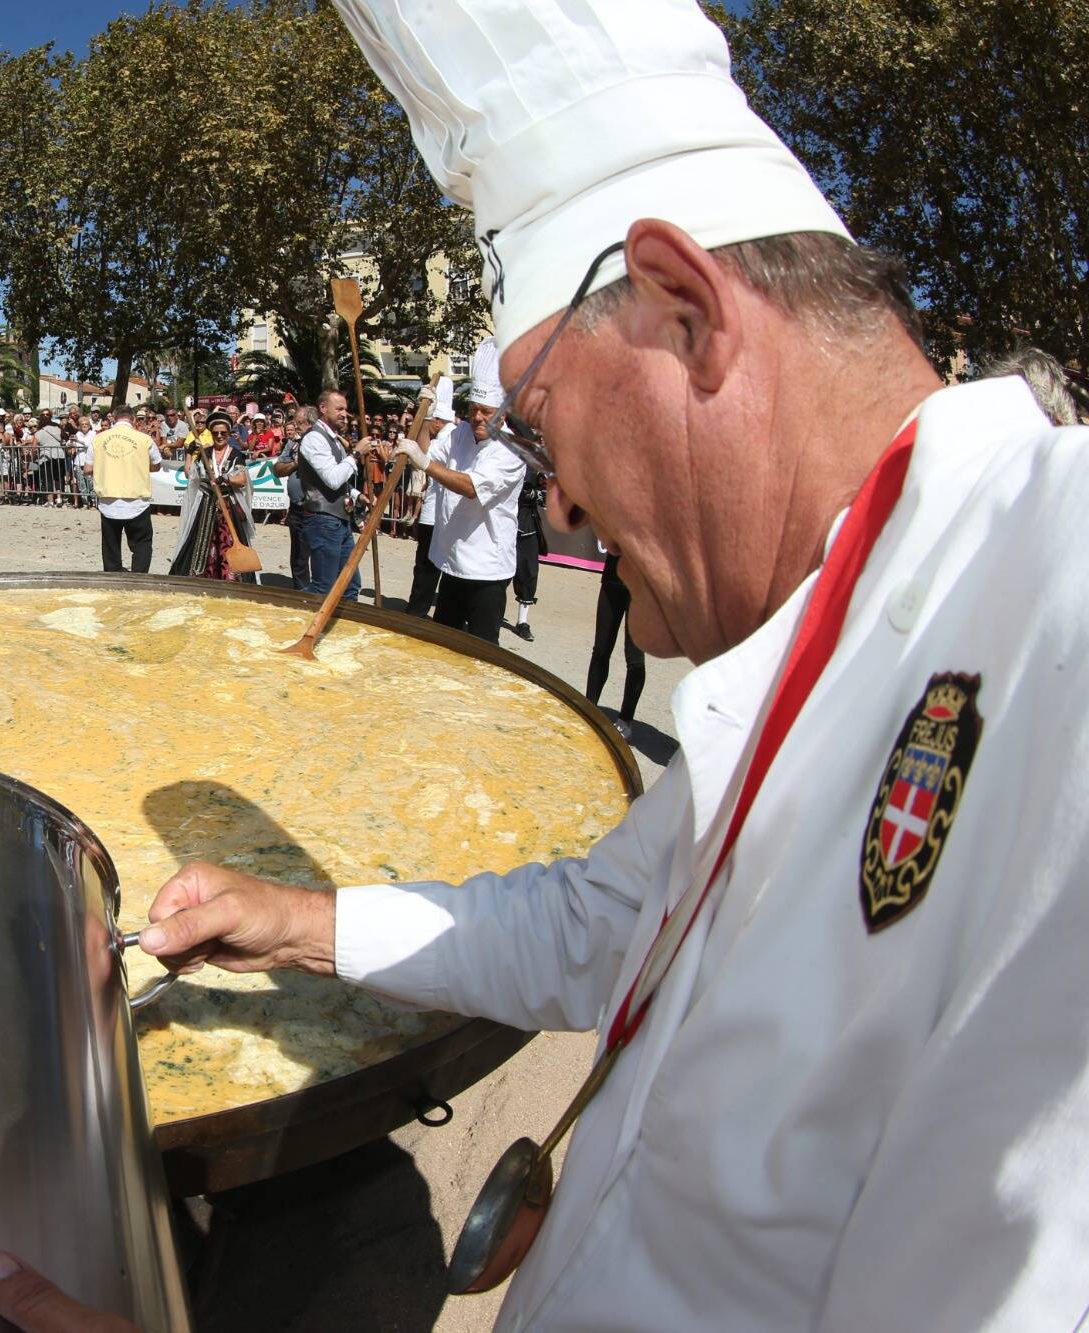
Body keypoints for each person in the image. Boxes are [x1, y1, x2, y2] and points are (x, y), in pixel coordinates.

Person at [120, 0, 1089, 1327]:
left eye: (540, 421)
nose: (558, 502)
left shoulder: (1054, 569)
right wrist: (302, 922)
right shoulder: (814, 635)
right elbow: (595, 922)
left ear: (684, 307)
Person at [414, 340, 524, 644]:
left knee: (482, 650)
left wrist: (425, 464)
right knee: (444, 645)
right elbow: (426, 451)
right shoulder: (460, 433)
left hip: (487, 568)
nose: (477, 417)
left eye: (486, 411)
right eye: (474, 409)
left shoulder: (511, 450)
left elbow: (471, 487)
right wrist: (425, 417)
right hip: (453, 560)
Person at [296, 389, 377, 600]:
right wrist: (356, 454)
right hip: (322, 520)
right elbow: (332, 479)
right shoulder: (314, 438)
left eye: (345, 409)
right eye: (339, 409)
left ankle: (344, 620)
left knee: (350, 585)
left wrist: (358, 495)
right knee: (323, 588)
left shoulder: (334, 439)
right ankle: (292, 610)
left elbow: (340, 480)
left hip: (339, 520)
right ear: (323, 408)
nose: (344, 414)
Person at [167, 409, 256, 581]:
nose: (219, 436)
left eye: (223, 433)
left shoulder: (236, 455)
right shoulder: (205, 453)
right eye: (216, 433)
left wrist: (226, 479)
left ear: (229, 434)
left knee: (228, 541)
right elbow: (190, 475)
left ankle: (230, 579)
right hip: (206, 505)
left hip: (227, 506)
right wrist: (189, 453)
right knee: (202, 543)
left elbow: (242, 480)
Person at [89, 400, 162, 573]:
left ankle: (112, 575)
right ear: (133, 419)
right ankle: (138, 577)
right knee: (141, 543)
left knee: (111, 546)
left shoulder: (98, 439)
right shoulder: (145, 439)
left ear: (114, 419)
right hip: (136, 500)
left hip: (108, 499)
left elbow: (87, 468)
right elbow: (157, 464)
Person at [404, 376, 457, 617]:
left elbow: (423, 452)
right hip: (436, 513)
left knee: (427, 568)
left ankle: (417, 613)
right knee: (429, 568)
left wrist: (424, 417)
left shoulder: (451, 436)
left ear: (437, 421)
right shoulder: (449, 435)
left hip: (439, 516)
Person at [585, 544, 646, 739]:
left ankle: (625, 720)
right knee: (600, 650)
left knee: (634, 658)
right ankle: (589, 710)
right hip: (613, 579)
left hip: (642, 589)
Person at [270, 404, 314, 589]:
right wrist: (296, 463)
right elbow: (278, 469)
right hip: (297, 508)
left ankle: (320, 591)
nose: (296, 427)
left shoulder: (321, 443)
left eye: (300, 423)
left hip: (316, 509)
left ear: (311, 423)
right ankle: (302, 591)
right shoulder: (293, 443)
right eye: (295, 423)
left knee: (319, 554)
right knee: (299, 556)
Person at [510, 466, 547, 639]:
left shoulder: (539, 462)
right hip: (499, 521)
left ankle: (522, 622)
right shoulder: (502, 454)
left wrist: (536, 494)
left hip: (526, 524)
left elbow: (549, 497)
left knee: (528, 572)